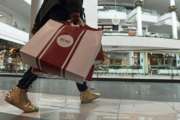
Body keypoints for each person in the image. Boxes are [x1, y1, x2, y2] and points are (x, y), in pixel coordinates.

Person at [5, 0, 102, 113]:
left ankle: (84, 91)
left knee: (67, 55)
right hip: (62, 15)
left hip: (54, 14)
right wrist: (76, 13)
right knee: (49, 57)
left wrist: (38, 23)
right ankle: (19, 91)